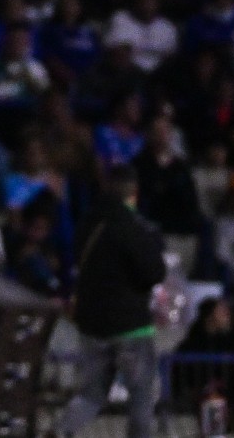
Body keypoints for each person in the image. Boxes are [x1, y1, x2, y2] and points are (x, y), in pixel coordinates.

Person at [57, 165, 166, 438]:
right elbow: (154, 272)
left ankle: (58, 432)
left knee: (91, 395)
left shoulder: (88, 223)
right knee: (141, 395)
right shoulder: (133, 226)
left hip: (92, 325)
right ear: (134, 192)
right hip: (131, 326)